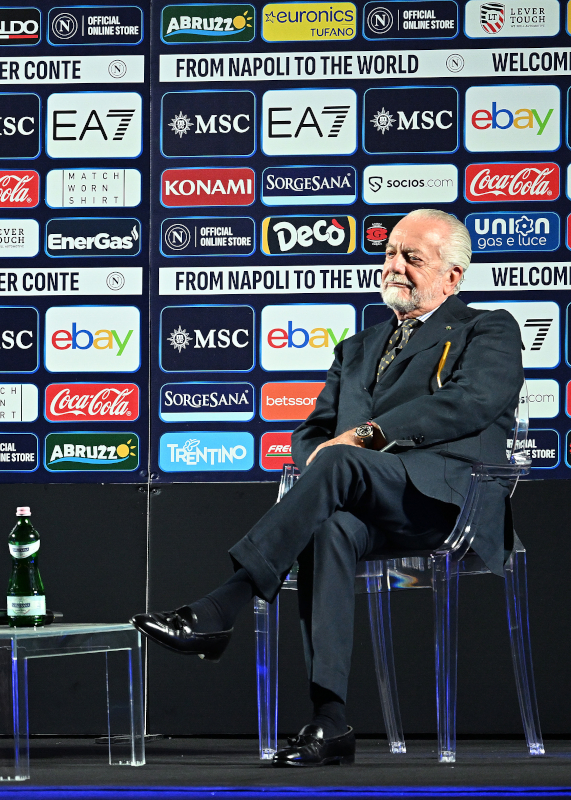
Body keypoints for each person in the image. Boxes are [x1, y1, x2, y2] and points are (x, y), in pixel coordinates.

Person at [133, 209, 524, 766]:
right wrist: (321, 453)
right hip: (370, 499)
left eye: (413, 258)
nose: (395, 265)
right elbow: (314, 431)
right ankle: (330, 720)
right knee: (330, 527)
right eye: (390, 252)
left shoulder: (486, 328)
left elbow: (473, 403)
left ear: (452, 276)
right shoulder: (358, 347)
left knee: (340, 468)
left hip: (447, 500)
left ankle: (223, 606)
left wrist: (366, 435)